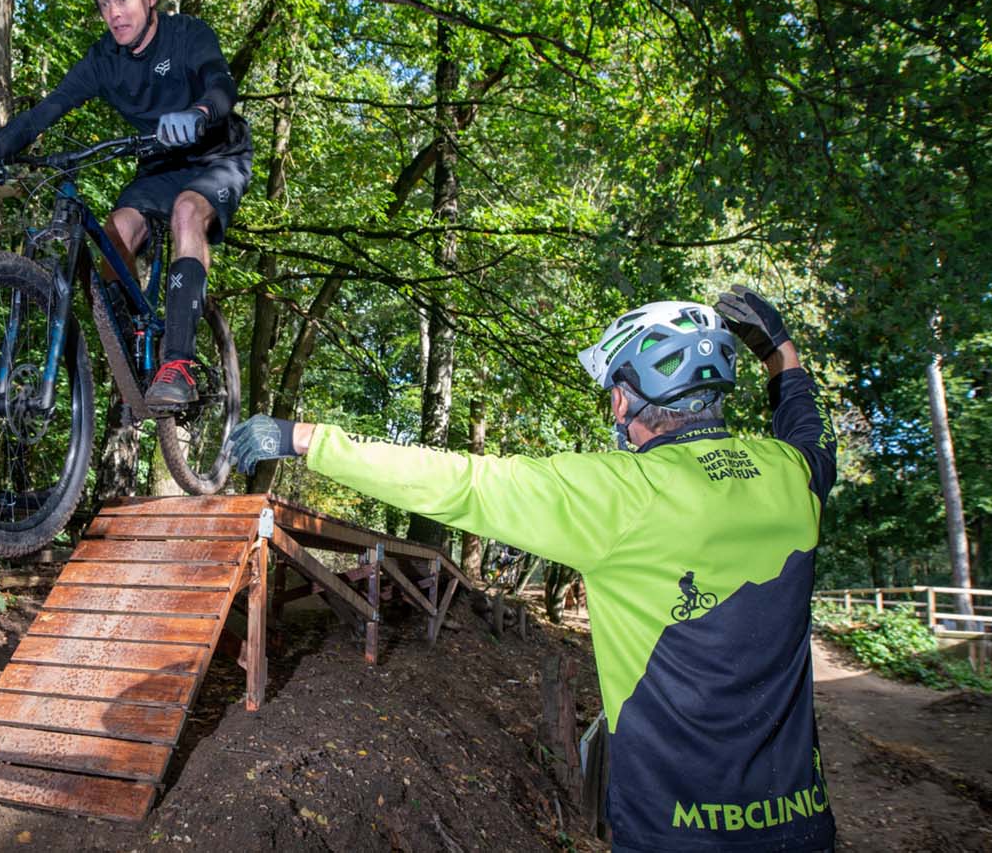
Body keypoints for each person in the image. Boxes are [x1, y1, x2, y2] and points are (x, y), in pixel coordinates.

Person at [227, 286, 838, 852]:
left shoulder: (621, 493)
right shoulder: (792, 476)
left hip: (673, 827)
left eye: (612, 396)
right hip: (804, 820)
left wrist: (303, 437)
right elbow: (808, 428)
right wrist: (780, 350)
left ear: (626, 398)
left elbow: (459, 483)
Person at [0, 0, 253, 411]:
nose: (114, 12)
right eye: (104, 2)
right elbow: (45, 111)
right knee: (115, 236)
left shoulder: (187, 35)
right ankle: (137, 335)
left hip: (218, 156)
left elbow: (220, 85)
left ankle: (179, 362)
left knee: (186, 213)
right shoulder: (103, 61)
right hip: (160, 162)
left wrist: (197, 112)